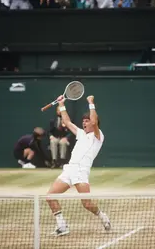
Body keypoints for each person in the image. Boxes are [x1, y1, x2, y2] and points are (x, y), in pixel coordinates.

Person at [46, 95, 111, 236]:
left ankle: (102, 216)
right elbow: (67, 122)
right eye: (84, 121)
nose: (85, 123)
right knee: (50, 196)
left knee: (87, 204)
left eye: (87, 121)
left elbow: (94, 122)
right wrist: (62, 105)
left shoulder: (98, 136)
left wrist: (91, 103)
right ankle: (62, 226)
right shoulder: (80, 134)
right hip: (70, 169)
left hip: (82, 171)